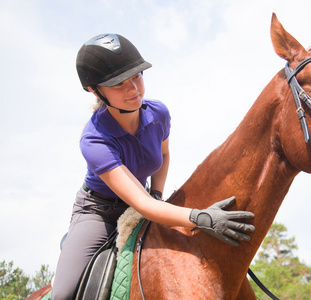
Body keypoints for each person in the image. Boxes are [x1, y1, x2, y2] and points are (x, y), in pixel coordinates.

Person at [51, 33, 255, 299]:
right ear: (95, 89)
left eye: (136, 77)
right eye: (119, 84)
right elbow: (142, 205)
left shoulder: (159, 113)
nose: (133, 89)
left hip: (146, 199)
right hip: (99, 212)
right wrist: (201, 217)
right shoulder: (93, 140)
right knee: (63, 294)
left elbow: (164, 155)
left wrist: (157, 194)